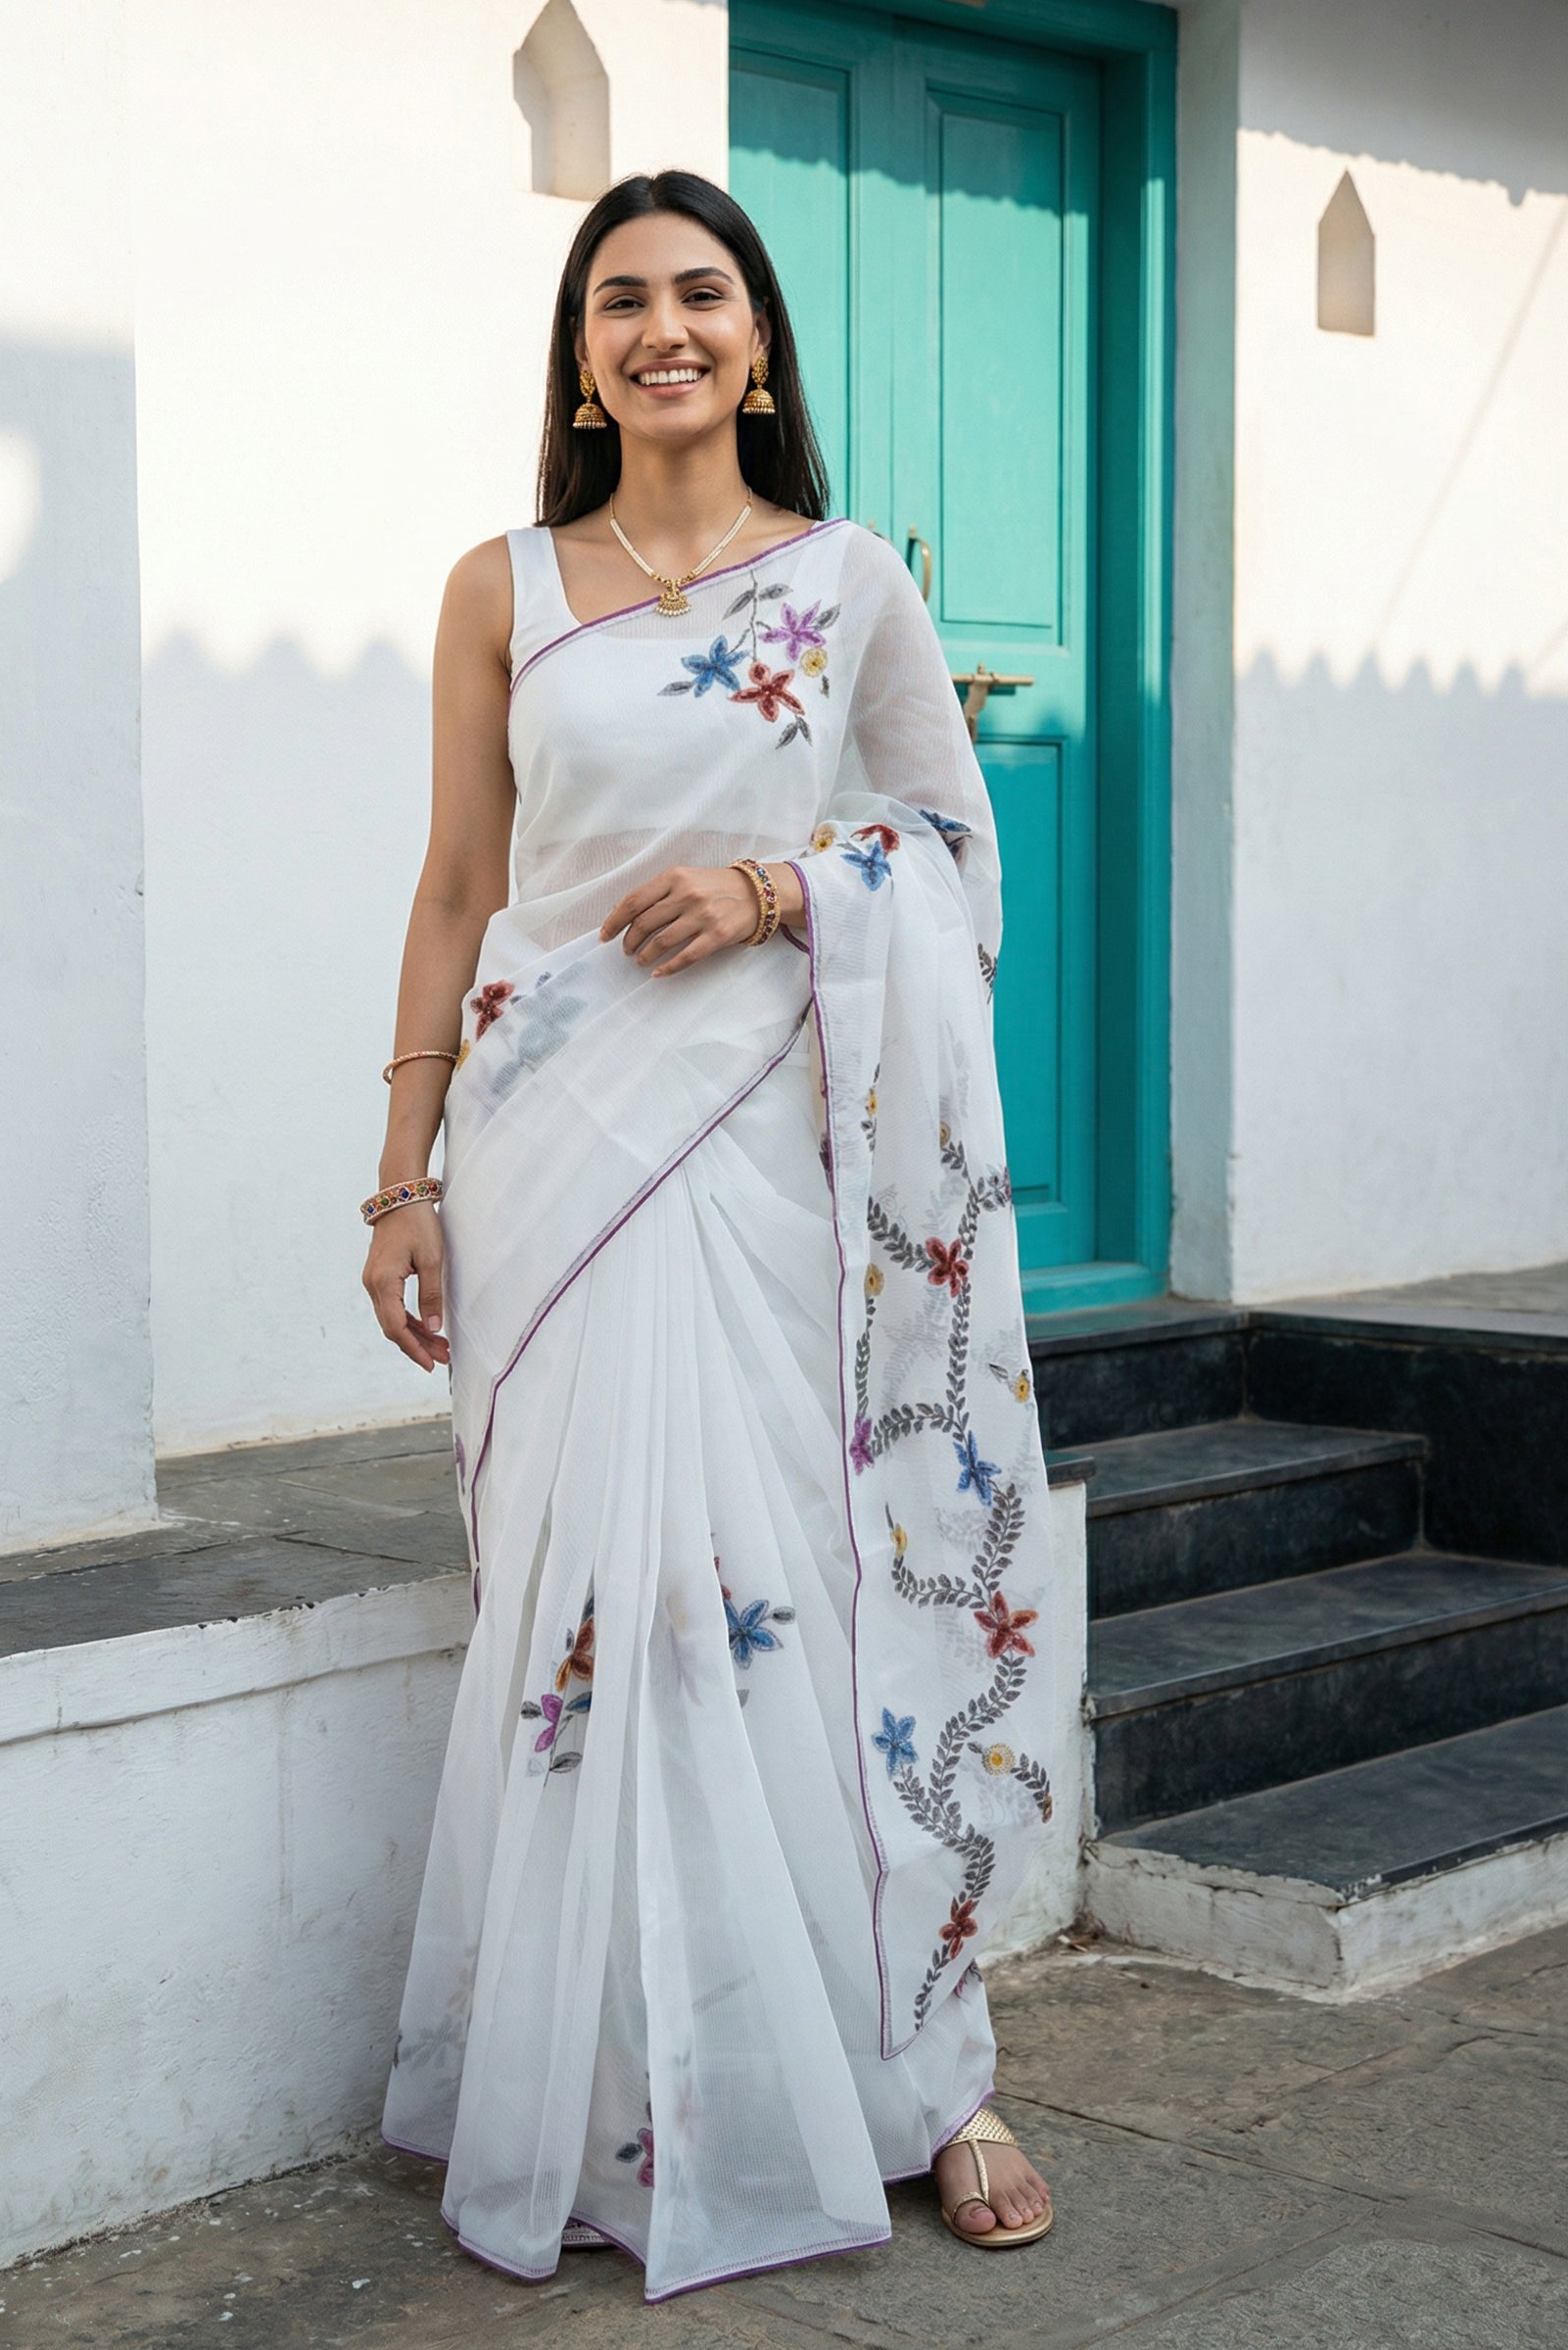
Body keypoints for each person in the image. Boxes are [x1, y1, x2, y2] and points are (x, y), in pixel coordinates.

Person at [363, 168, 1057, 2303]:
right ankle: (591, 2087)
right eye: (616, 304)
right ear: (580, 356)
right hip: (549, 1141)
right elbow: (456, 885)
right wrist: (399, 1172)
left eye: (697, 295)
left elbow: (954, 856)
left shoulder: (849, 584)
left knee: (802, 1591)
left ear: (757, 339)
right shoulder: (503, 584)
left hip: (770, 1161)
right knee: (593, 1599)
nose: (657, 329)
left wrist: (780, 891)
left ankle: (917, 2075)